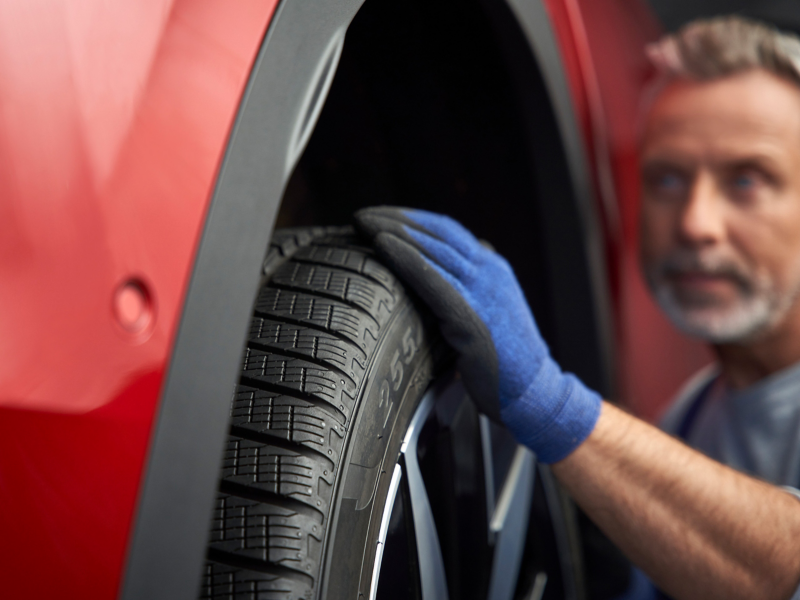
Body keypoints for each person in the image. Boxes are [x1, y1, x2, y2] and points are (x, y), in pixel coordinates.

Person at [355, 16, 800, 600]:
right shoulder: (691, 418)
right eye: (666, 179)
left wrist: (552, 406)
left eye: (746, 180)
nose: (695, 223)